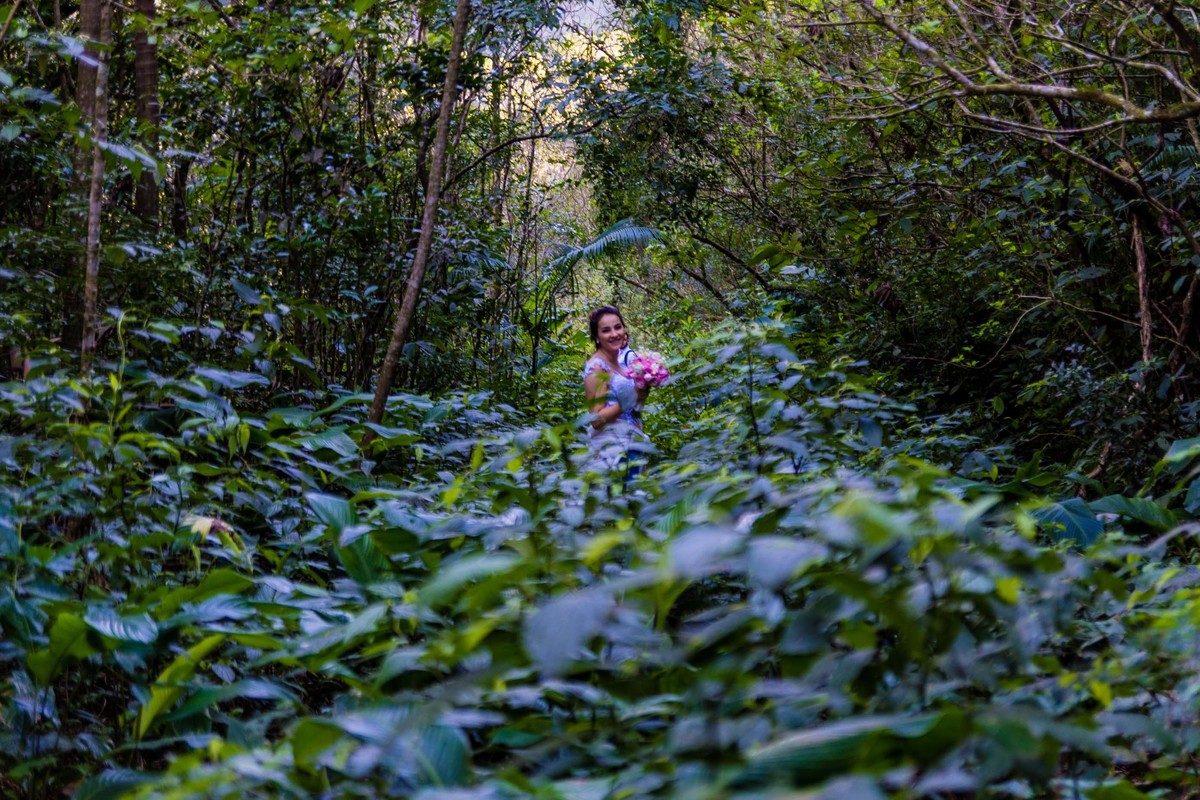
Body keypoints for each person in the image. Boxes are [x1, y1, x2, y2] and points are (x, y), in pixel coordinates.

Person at [583, 305, 651, 480]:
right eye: (606, 330)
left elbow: (632, 408)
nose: (614, 334)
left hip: (632, 440)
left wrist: (642, 392)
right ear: (596, 337)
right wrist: (630, 397)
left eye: (618, 327)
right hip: (612, 445)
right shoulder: (597, 367)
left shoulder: (621, 365)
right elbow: (596, 420)